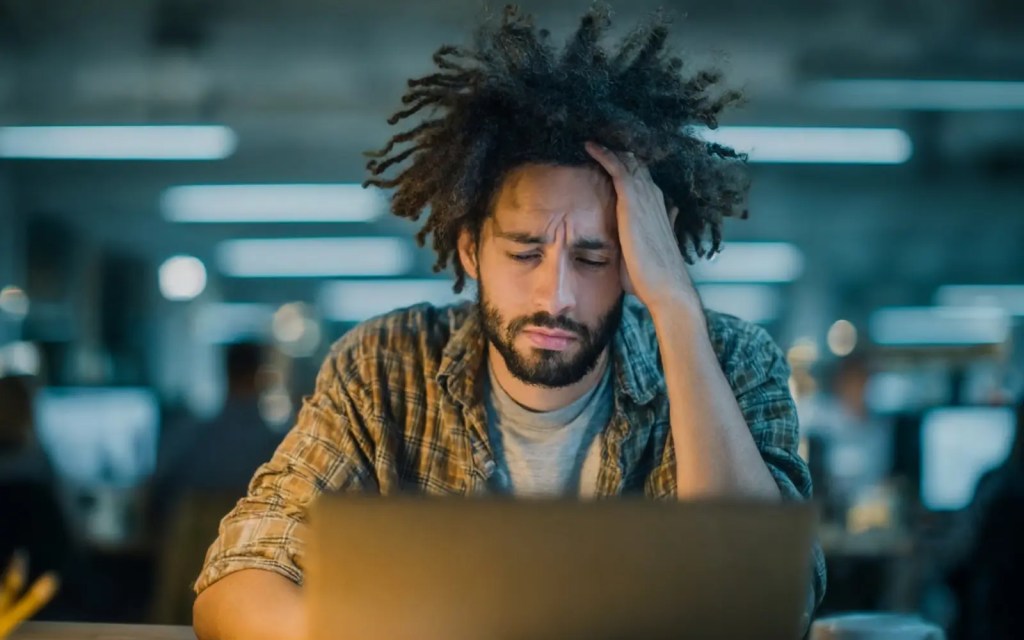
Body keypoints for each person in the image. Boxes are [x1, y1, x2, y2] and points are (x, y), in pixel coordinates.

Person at [192, 7, 826, 640]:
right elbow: (241, 572)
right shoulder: (382, 366)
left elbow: (769, 612)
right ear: (470, 250)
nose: (556, 295)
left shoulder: (734, 361)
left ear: (635, 260)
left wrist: (676, 309)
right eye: (525, 252)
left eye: (593, 257)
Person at [153, 342, 283, 515]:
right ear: (262, 378)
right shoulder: (279, 451)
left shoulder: (191, 440)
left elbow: (158, 494)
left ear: (226, 373)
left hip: (198, 541)